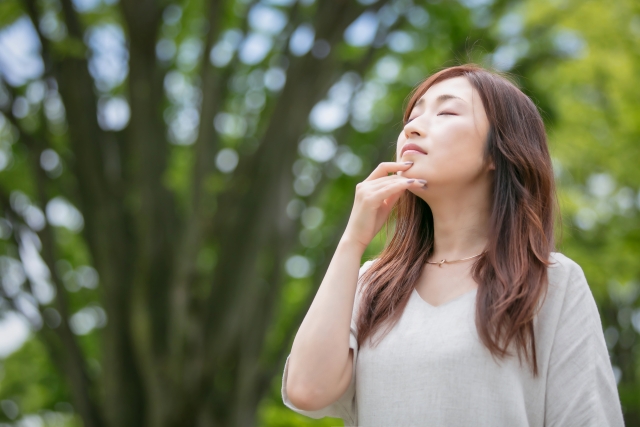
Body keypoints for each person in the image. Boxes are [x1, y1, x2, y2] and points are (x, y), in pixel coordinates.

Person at [281, 64, 624, 426]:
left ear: (498, 152)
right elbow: (306, 391)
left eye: (446, 112)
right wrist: (353, 241)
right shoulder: (373, 284)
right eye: (412, 117)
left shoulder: (551, 283)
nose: (412, 127)